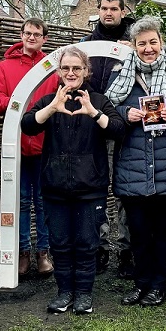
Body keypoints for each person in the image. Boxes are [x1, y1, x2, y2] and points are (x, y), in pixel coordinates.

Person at [22, 46, 125, 315]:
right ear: (58, 72)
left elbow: (118, 129)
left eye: (76, 68)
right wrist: (52, 108)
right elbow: (28, 125)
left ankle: (83, 294)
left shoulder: (99, 100)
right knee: (60, 243)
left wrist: (93, 112)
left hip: (90, 187)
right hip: (55, 187)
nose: (71, 73)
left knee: (86, 242)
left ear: (86, 71)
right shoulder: (47, 101)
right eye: (66, 68)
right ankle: (64, 292)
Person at [106, 17, 166, 307]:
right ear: (133, 46)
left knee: (162, 233)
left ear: (161, 43)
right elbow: (107, 111)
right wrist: (125, 113)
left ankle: (158, 286)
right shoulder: (121, 75)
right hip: (133, 165)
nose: (148, 48)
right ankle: (140, 284)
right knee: (138, 232)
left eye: (153, 42)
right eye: (142, 43)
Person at [0, 18, 56, 277]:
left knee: (42, 201)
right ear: (21, 34)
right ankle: (22, 253)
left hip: (44, 146)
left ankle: (43, 252)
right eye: (27, 33)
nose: (31, 37)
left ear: (44, 38)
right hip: (15, 145)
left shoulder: (50, 67)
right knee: (19, 202)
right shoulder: (5, 66)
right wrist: (21, 107)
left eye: (37, 34)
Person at [86, 0, 135, 276]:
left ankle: (127, 248)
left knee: (125, 189)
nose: (109, 13)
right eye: (104, 8)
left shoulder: (134, 41)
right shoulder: (88, 43)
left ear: (122, 11)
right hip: (95, 125)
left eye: (114, 9)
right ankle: (100, 247)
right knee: (97, 187)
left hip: (126, 125)